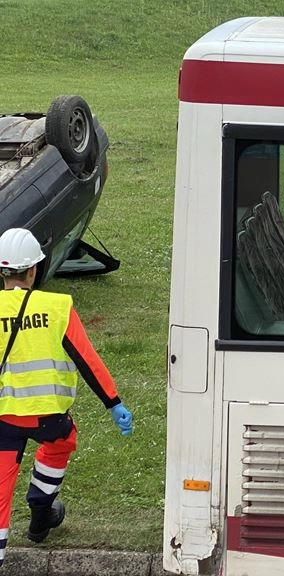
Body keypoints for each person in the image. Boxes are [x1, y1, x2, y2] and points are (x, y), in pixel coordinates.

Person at [0, 228, 133, 566]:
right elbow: (87, 359)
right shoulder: (58, 307)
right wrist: (113, 402)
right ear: (34, 270)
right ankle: (41, 511)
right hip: (50, 419)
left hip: (3, 422)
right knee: (61, 444)